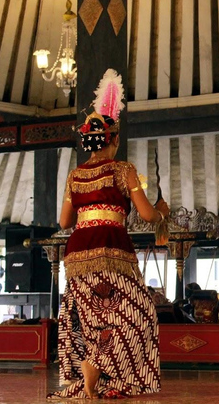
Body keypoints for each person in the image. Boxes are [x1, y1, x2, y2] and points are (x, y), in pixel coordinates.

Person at [49, 70, 169, 399]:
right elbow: (146, 215)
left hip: (77, 254)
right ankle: (97, 366)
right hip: (111, 248)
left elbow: (63, 222)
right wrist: (163, 213)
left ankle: (94, 370)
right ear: (113, 140)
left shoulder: (75, 174)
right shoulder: (123, 169)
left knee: (93, 321)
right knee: (140, 314)